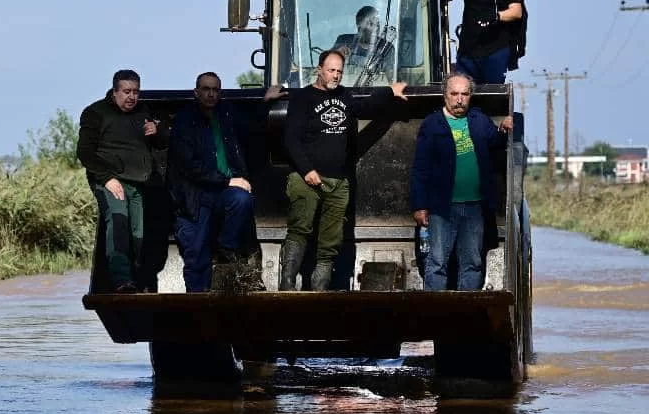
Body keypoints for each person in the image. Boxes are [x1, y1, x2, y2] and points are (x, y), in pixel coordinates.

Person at [280, 50, 408, 290]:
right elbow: (291, 139)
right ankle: (287, 283)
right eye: (331, 70)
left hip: (339, 182)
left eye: (339, 71)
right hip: (306, 178)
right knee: (300, 228)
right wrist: (307, 170)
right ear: (319, 69)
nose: (336, 75)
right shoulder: (303, 98)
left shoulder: (345, 96)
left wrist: (390, 91)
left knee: (331, 239)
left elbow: (365, 106)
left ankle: (320, 290)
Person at [166, 72, 285, 292]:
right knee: (196, 255)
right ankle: (196, 302)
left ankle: (226, 249)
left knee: (242, 199)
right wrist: (228, 180)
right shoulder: (184, 121)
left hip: (223, 192)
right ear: (196, 92)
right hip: (195, 196)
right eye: (206, 89)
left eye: (215, 90)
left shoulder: (227, 113)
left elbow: (252, 127)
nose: (211, 94)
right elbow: (189, 167)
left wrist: (265, 101)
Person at [410, 73, 513, 290]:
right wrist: (419, 206)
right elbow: (420, 168)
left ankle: (468, 315)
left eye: (464, 94)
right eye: (454, 94)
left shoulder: (479, 120)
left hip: (475, 207)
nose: (459, 99)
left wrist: (504, 129)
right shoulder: (432, 125)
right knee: (437, 262)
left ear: (470, 96)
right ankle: (432, 314)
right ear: (445, 96)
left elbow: (496, 145)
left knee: (473, 263)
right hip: (441, 208)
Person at [77, 69, 166, 293]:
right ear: (115, 92)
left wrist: (157, 131)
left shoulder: (143, 112)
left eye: (136, 91)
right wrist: (107, 179)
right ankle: (120, 280)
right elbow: (85, 152)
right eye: (126, 92)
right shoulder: (95, 113)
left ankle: (135, 281)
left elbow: (162, 143)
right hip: (110, 181)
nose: (131, 97)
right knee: (118, 223)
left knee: (138, 234)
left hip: (138, 182)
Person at [333, 5, 397, 85]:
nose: (376, 28)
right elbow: (327, 67)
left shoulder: (386, 48)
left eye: (377, 24)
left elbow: (393, 80)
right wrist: (336, 55)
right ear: (359, 25)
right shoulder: (344, 41)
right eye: (370, 23)